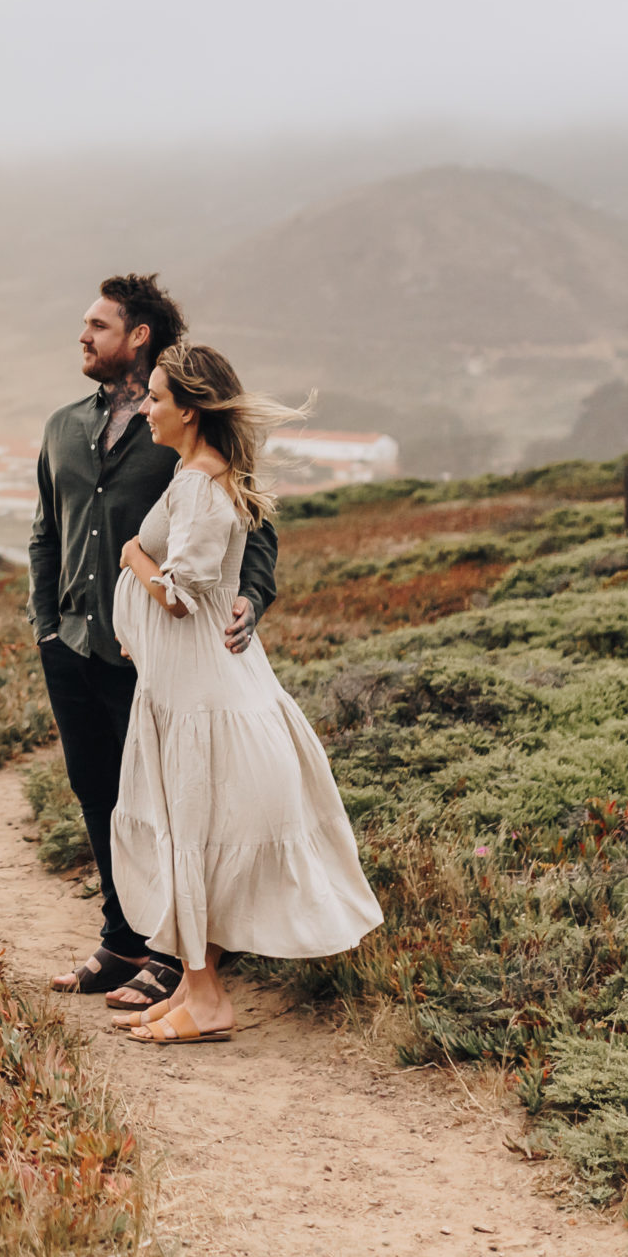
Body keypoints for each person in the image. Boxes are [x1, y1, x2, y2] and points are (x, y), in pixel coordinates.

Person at [105, 342, 382, 1044]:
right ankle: (198, 990)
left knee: (191, 831)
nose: (147, 408)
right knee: (192, 832)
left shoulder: (200, 482)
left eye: (158, 398)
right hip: (188, 685)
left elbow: (178, 595)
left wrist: (132, 557)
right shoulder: (201, 473)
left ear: (191, 410)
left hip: (200, 692)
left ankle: (206, 1000)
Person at [28, 275, 277, 1003]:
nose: (83, 335)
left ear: (138, 335)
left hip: (156, 652)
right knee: (99, 792)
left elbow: (251, 520)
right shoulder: (62, 427)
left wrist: (251, 596)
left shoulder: (180, 426)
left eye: (98, 324)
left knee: (173, 801)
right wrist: (46, 621)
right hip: (71, 643)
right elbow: (46, 530)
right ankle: (121, 940)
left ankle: (176, 953)